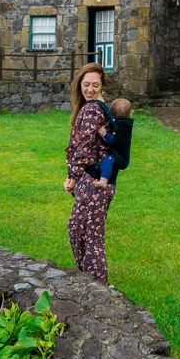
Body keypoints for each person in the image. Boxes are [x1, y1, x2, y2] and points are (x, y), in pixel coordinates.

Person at [63, 62, 116, 283]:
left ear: (102, 85)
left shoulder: (93, 109)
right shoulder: (95, 107)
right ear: (79, 85)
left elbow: (83, 146)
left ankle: (97, 286)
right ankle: (87, 276)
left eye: (95, 85)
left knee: (89, 233)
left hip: (95, 181)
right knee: (77, 227)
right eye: (86, 84)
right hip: (93, 179)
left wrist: (72, 177)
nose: (90, 89)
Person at [95, 98, 133, 188]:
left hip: (120, 157)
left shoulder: (122, 127)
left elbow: (114, 140)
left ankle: (103, 181)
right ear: (130, 113)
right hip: (119, 154)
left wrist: (105, 134)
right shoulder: (125, 124)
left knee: (107, 161)